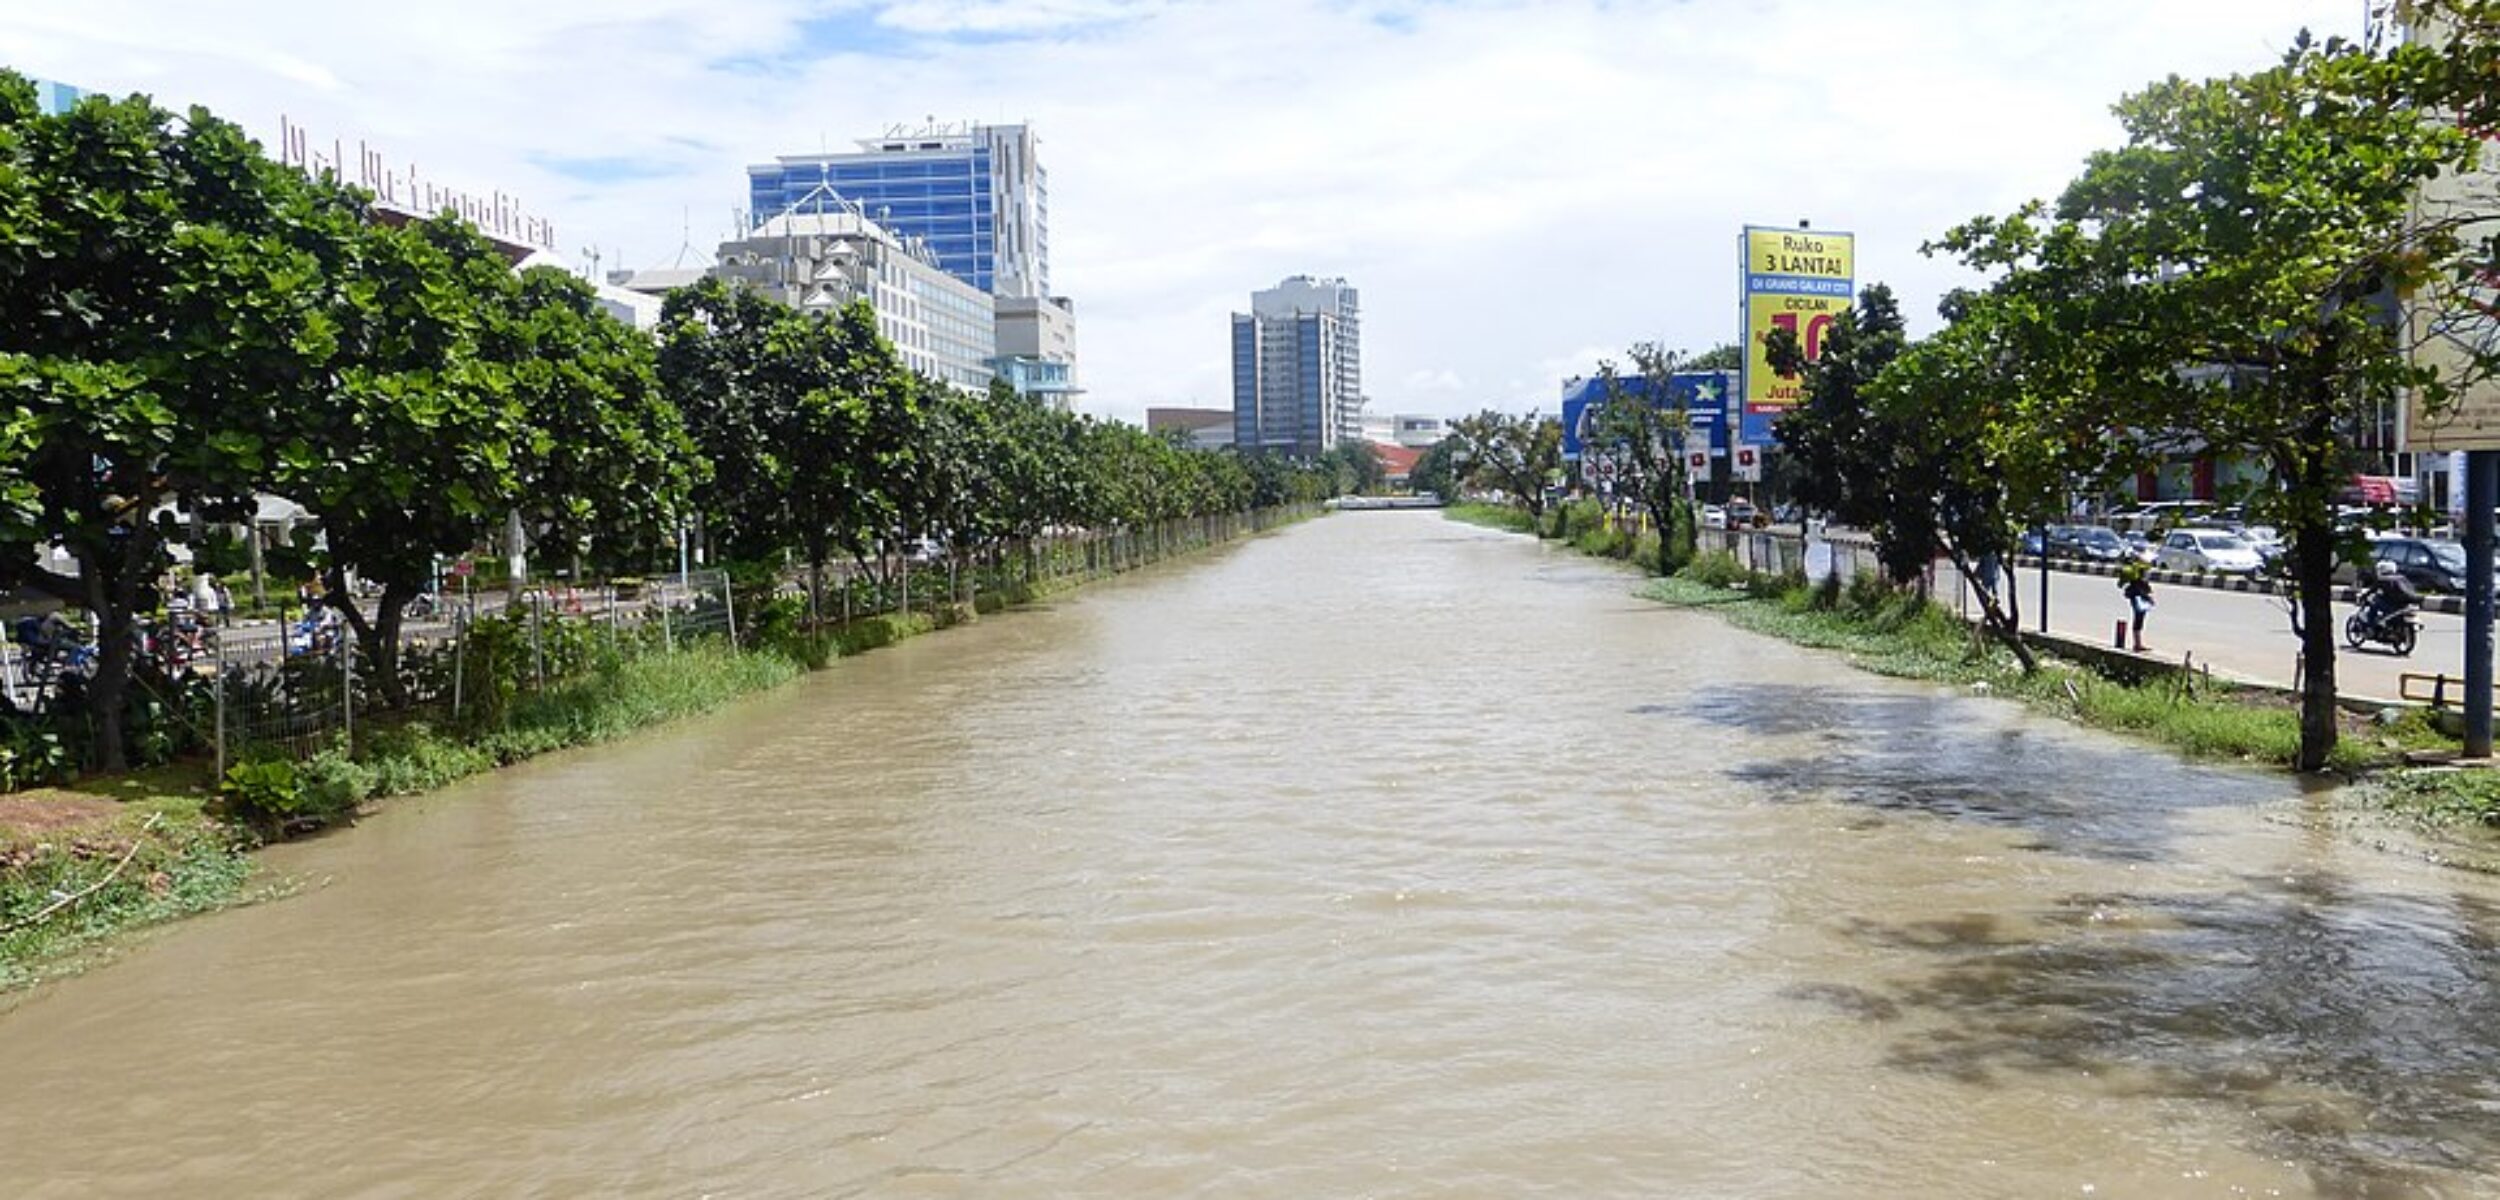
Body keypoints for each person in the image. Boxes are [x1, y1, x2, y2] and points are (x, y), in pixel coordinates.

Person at [2363, 558, 2421, 626]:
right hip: (2407, 603)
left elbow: (2372, 590)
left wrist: (2364, 596)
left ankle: (2371, 624)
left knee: (2374, 603)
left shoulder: (2383, 579)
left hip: (2395, 605)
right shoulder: (2402, 578)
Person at [2118, 561, 2154, 652]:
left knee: (2138, 620)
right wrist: (2149, 598)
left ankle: (2138, 643)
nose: (2147, 575)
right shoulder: (2138, 582)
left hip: (2136, 599)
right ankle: (2137, 644)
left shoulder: (2136, 582)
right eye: (2145, 572)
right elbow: (2142, 592)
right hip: (2138, 601)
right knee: (2138, 621)